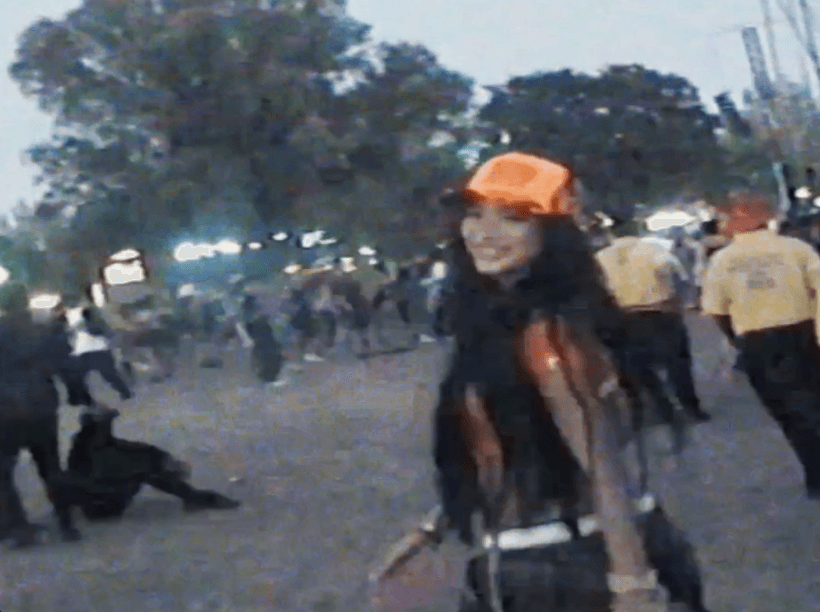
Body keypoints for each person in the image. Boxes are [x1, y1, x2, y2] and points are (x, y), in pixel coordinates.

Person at [434, 151, 675, 612]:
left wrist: (633, 586)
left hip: (565, 567)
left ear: (554, 235)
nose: (484, 233)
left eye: (514, 218)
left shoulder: (551, 338)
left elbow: (602, 465)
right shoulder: (504, 324)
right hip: (546, 555)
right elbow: (518, 449)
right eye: (474, 213)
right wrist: (435, 525)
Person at [701, 189, 820, 499]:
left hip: (758, 344)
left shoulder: (722, 261)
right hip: (804, 335)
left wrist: (737, 341)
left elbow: (717, 311)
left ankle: (815, 473)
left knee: (786, 411)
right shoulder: (797, 249)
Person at [596, 230, 711, 424]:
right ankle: (691, 407)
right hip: (660, 313)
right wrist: (677, 303)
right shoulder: (652, 249)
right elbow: (677, 274)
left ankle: (662, 410)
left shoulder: (600, 257)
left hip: (624, 317)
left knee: (639, 368)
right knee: (678, 365)